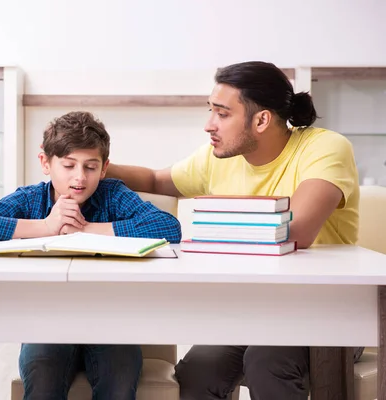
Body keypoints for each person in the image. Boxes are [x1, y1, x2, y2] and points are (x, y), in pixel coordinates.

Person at [105, 61, 361, 400]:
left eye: (222, 114)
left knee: (267, 361)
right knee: (197, 372)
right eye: (211, 111)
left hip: (325, 309)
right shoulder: (217, 158)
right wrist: (93, 165)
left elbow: (296, 230)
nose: (209, 125)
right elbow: (154, 179)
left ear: (261, 120)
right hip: (254, 309)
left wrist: (203, 230)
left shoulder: (325, 148)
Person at [0, 110, 182, 400]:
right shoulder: (30, 199)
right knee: (42, 380)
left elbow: (168, 227)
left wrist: (87, 228)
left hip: (110, 325)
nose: (79, 177)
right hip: (48, 323)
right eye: (68, 165)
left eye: (90, 167)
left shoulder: (112, 194)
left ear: (104, 168)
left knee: (118, 381)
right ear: (46, 163)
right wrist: (46, 226)